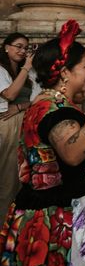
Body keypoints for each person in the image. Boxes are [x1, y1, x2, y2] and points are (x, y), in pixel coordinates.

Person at [0, 20, 85, 266]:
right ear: (64, 73)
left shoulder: (49, 104)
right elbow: (72, 153)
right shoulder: (53, 110)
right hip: (58, 225)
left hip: (61, 214)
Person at [0, 33, 40, 217]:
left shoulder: (29, 72)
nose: (23, 50)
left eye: (25, 47)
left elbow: (38, 98)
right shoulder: (1, 69)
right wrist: (26, 68)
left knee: (21, 176)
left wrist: (20, 107)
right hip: (8, 124)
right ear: (6, 47)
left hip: (26, 121)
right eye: (18, 46)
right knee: (7, 177)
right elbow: (9, 95)